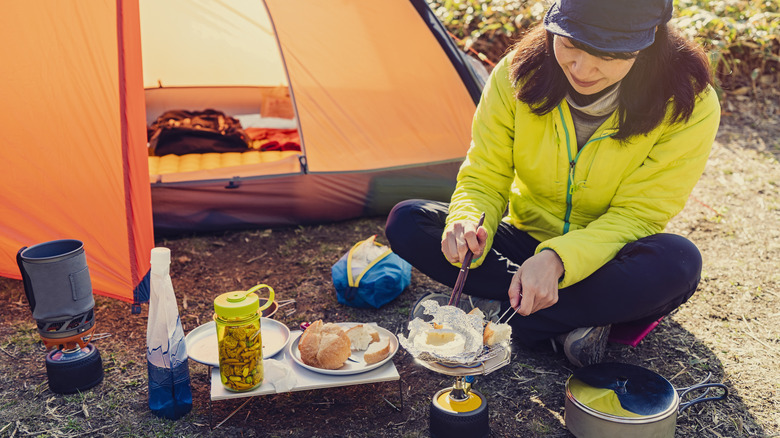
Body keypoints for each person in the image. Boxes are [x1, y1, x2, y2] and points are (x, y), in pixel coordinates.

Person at [385, 0, 720, 367]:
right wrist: (466, 221)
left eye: (606, 55)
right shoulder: (517, 74)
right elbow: (485, 172)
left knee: (679, 263)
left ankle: (507, 315)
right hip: (524, 243)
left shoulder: (688, 103)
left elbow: (637, 215)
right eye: (570, 44)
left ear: (647, 40)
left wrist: (558, 259)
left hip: (607, 258)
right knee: (408, 221)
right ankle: (566, 320)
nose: (582, 68)